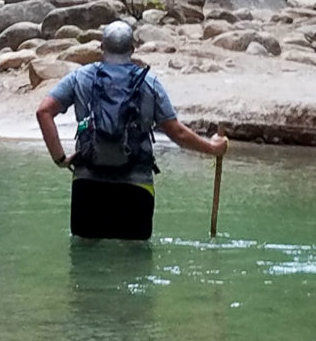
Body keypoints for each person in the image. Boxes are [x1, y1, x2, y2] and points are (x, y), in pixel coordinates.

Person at [36, 20, 229, 240]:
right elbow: (178, 133)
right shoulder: (149, 82)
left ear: (101, 47)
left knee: (84, 261)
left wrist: (60, 158)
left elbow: (44, 112)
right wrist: (213, 148)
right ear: (132, 49)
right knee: (135, 262)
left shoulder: (80, 77)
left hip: (87, 184)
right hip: (136, 187)